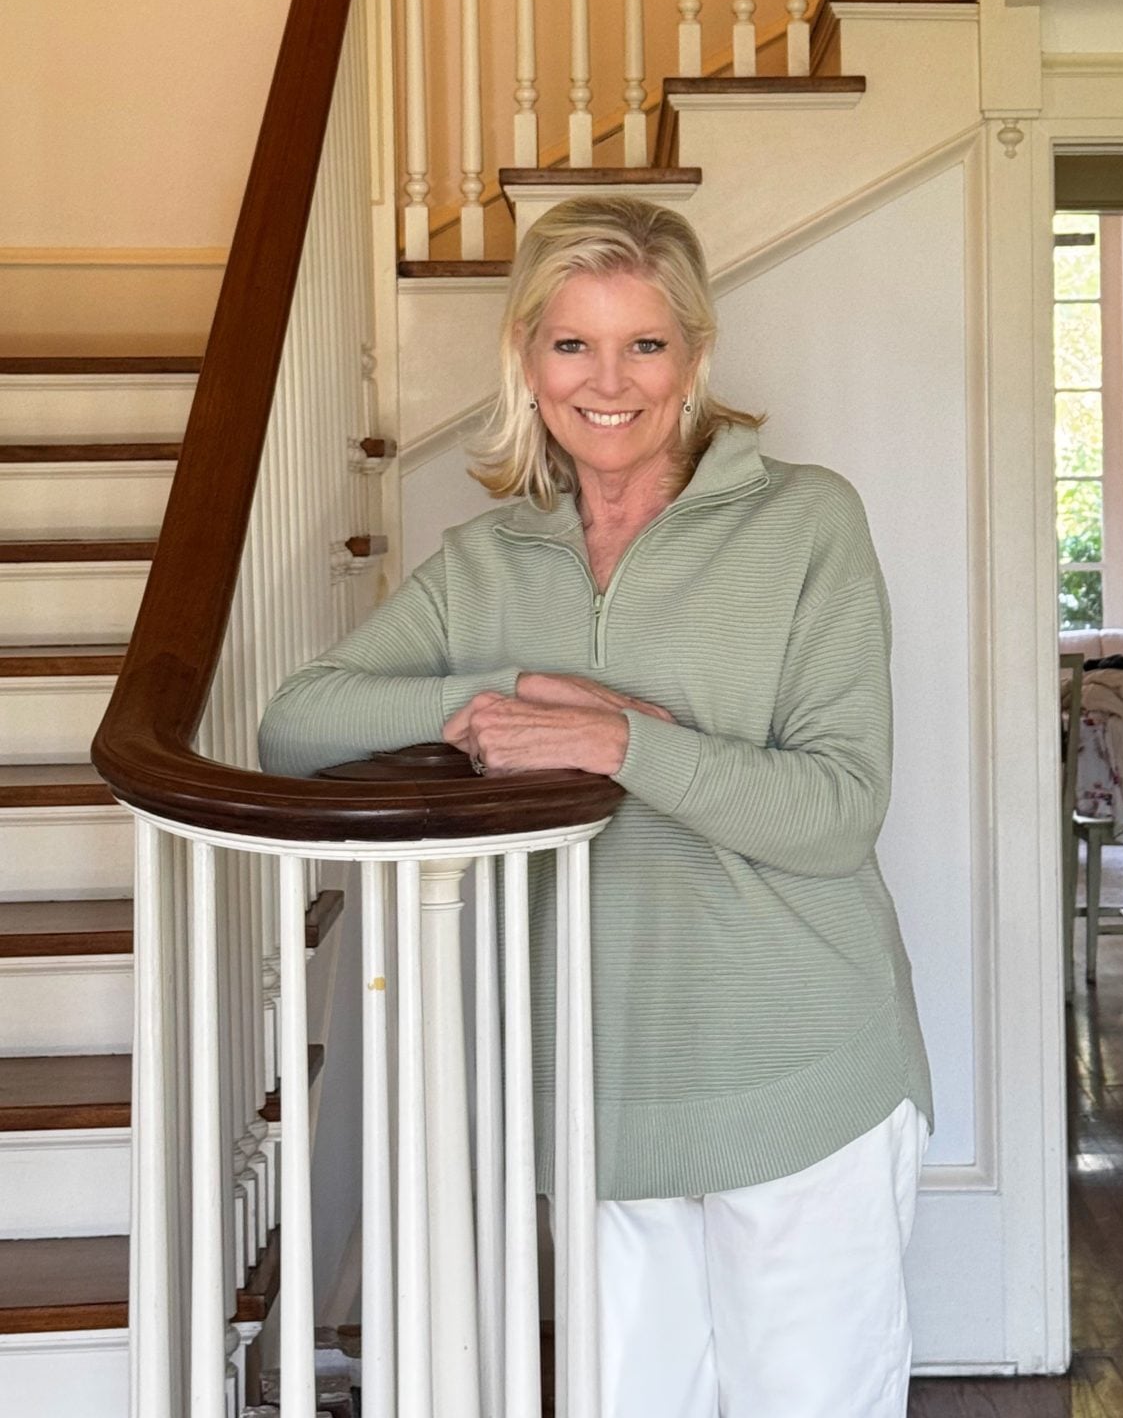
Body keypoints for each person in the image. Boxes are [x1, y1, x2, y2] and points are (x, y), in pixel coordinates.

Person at [259, 195, 932, 1418]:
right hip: (593, 1084)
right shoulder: (486, 562)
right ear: (527, 357)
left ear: (695, 355)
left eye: (645, 344)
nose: (608, 381)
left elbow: (838, 809)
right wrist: (502, 694)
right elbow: (295, 724)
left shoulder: (806, 520)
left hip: (803, 1070)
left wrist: (618, 742)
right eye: (573, 342)